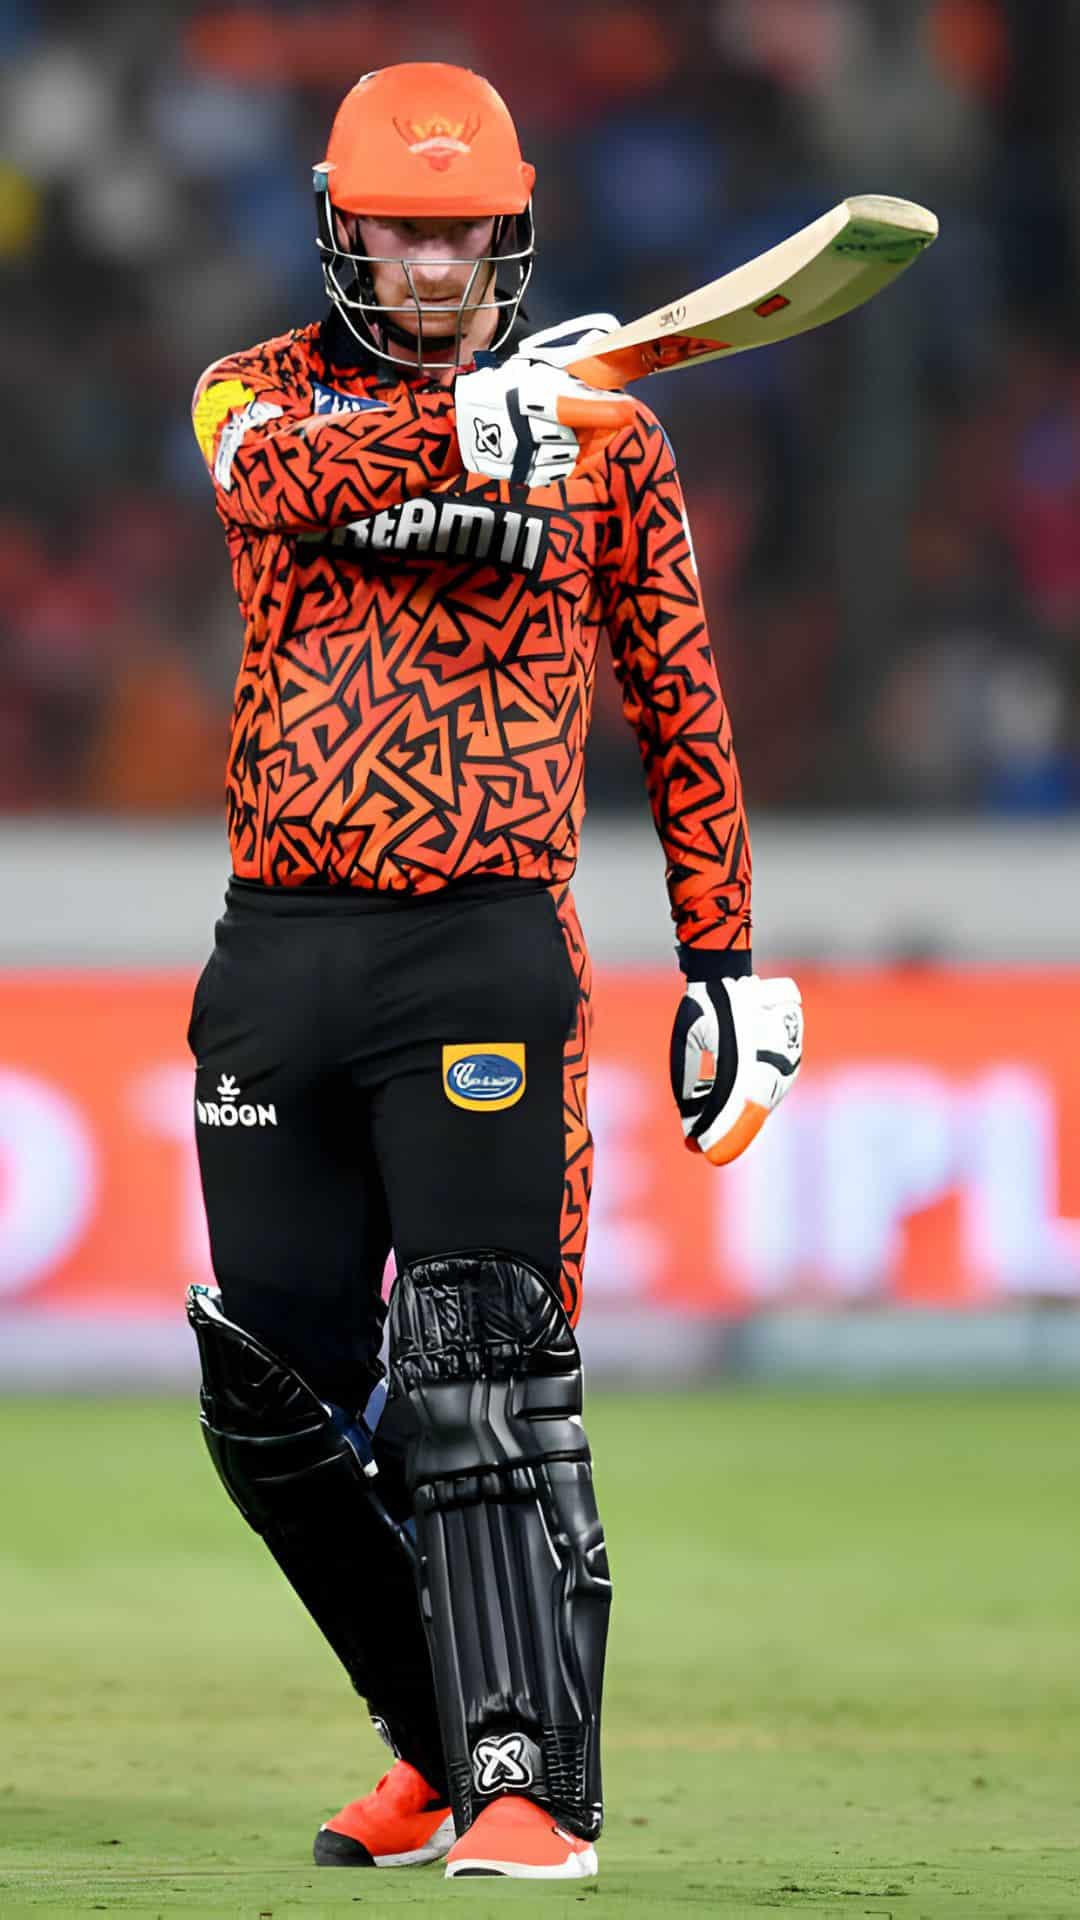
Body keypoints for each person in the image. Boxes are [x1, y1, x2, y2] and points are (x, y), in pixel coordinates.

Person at [186, 60, 803, 1884]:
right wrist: (468, 437)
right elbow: (272, 486)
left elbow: (685, 711)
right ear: (339, 221)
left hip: (483, 940)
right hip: (276, 946)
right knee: (272, 1389)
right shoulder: (250, 392)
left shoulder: (613, 440)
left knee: (478, 1367)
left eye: (461, 228)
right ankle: (439, 1738)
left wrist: (728, 963)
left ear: (508, 226)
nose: (433, 259)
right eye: (401, 225)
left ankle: (529, 1787)